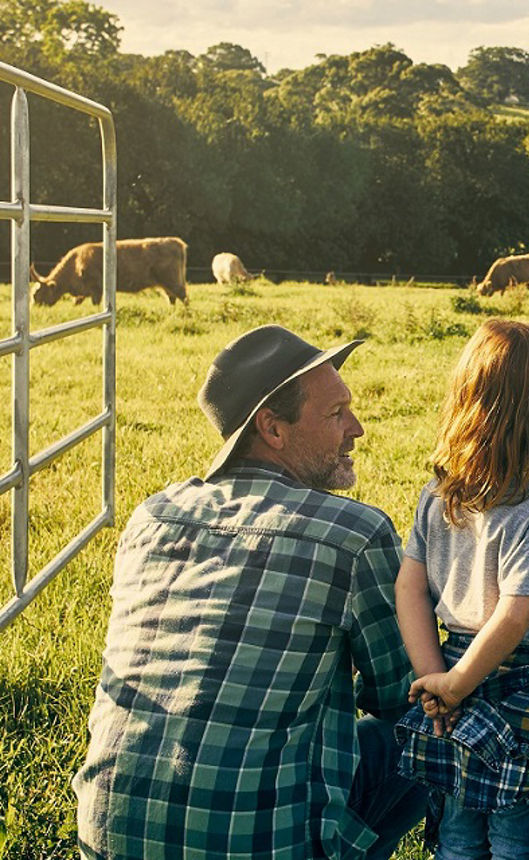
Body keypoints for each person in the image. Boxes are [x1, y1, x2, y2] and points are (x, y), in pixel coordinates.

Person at [74, 325, 426, 859]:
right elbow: (405, 692)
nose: (356, 428)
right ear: (272, 428)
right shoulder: (353, 535)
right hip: (256, 847)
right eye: (335, 414)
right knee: (435, 723)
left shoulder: (152, 517)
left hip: (106, 839)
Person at [392, 319, 529, 860]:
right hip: (519, 686)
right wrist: (453, 684)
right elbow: (513, 618)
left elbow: (409, 587)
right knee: (516, 838)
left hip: (453, 674)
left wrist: (435, 677)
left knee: (458, 834)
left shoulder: (436, 496)